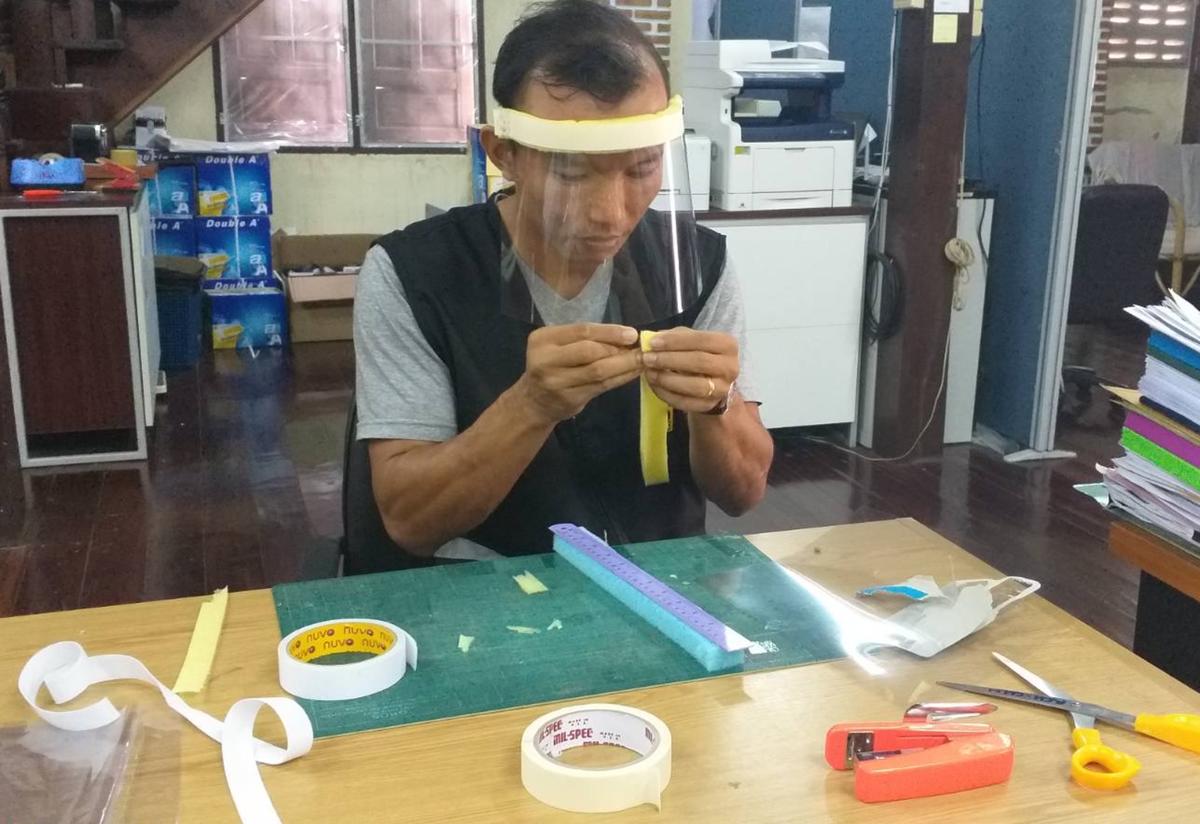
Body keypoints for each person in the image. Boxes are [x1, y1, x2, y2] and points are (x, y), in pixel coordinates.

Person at [354, 0, 773, 561]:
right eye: (572, 173)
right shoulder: (415, 275)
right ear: (505, 154)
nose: (610, 213)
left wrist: (716, 406)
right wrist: (530, 406)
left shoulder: (700, 267)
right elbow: (409, 521)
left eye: (642, 168)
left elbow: (744, 494)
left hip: (660, 586)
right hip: (487, 592)